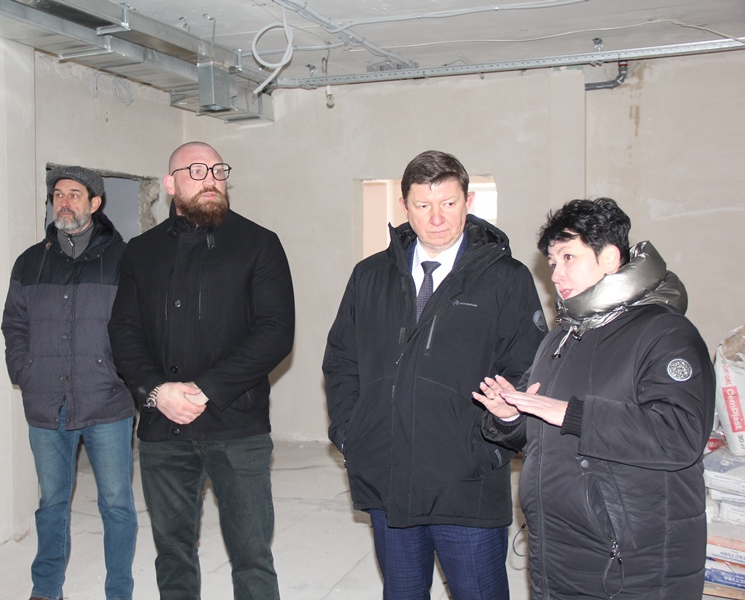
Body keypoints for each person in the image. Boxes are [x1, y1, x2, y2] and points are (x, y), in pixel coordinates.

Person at [323, 150, 546, 600]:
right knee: (403, 592)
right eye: (423, 205)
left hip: (465, 479)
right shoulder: (369, 276)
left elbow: (527, 368)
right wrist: (352, 432)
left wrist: (491, 444)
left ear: (469, 201)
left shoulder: (506, 278)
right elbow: (342, 360)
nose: (437, 218)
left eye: (448, 203)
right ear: (404, 206)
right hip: (388, 475)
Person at [475, 198, 714, 599]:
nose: (557, 274)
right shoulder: (561, 337)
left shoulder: (665, 333)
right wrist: (509, 416)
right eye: (552, 262)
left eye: (569, 257)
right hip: (558, 553)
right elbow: (541, 429)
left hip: (632, 565)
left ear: (609, 258)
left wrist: (573, 414)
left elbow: (680, 434)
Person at [108, 141, 296, 600]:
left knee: (252, 555)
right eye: (195, 171)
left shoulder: (259, 244)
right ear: (170, 184)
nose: (210, 179)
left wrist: (204, 389)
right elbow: (123, 332)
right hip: (163, 428)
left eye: (217, 170)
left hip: (238, 427)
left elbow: (275, 332)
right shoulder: (140, 252)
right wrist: (157, 392)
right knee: (172, 554)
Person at [1, 166, 138, 600]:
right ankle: (46, 589)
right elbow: (13, 324)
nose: (64, 202)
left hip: (107, 402)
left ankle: (119, 590)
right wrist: (24, 370)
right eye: (58, 194)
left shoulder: (124, 260)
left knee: (116, 504)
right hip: (47, 404)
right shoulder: (30, 261)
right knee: (51, 504)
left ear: (94, 203)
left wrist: (123, 374)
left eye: (74, 194)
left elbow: (140, 326)